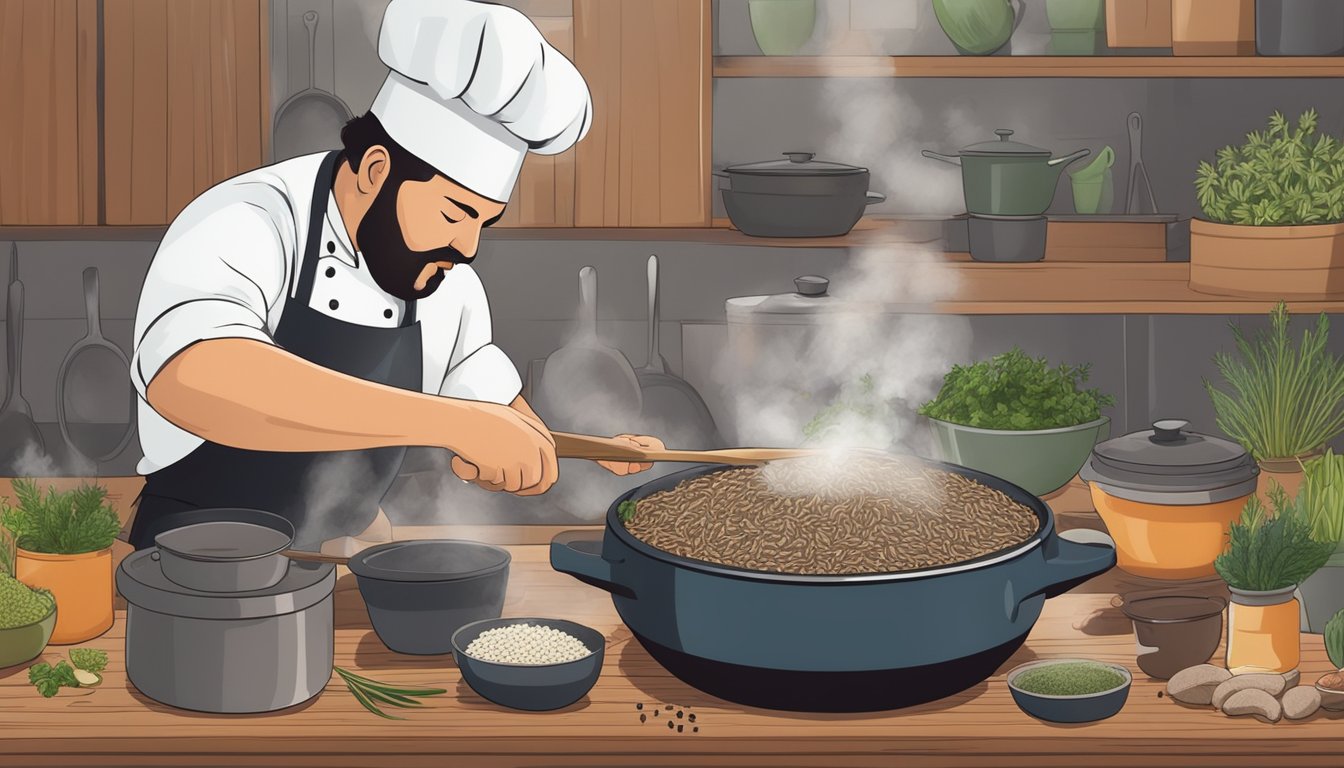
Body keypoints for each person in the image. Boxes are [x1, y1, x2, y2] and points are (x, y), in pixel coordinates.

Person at [127, 0, 662, 553]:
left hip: (340, 561)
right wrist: (456, 425)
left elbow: (483, 406)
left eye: (483, 221)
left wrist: (568, 447)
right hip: (191, 564)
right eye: (455, 214)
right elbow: (193, 376)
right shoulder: (247, 220)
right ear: (377, 170)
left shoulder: (443, 280)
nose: (469, 246)